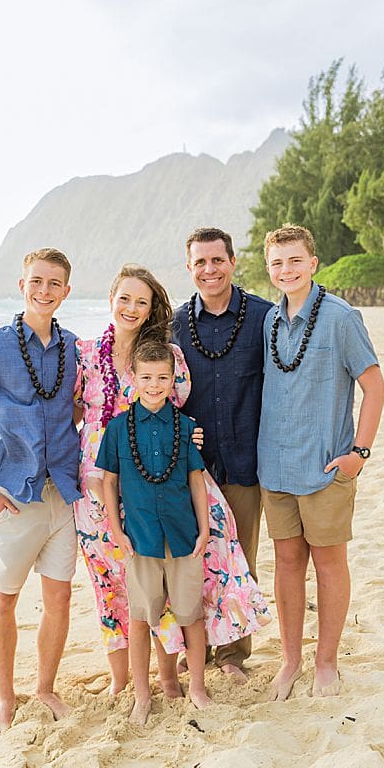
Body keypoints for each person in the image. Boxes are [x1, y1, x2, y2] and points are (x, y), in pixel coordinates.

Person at [73, 263, 268, 698]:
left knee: (163, 574)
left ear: (151, 308)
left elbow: (175, 416)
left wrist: (192, 433)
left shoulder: (166, 357)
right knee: (111, 582)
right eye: (124, 298)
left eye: (141, 301)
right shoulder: (83, 353)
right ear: (110, 299)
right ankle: (121, 679)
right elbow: (71, 415)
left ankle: (168, 676)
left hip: (159, 483)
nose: (131, 307)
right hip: (97, 488)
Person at [257, 225, 384, 701]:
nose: (286, 270)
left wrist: (360, 453)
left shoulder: (340, 317)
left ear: (313, 262)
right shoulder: (270, 321)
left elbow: (374, 387)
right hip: (275, 464)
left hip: (328, 464)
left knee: (330, 563)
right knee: (287, 563)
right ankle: (291, 660)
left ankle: (326, 662)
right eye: (277, 263)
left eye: (294, 260)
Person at [0, 248, 80, 733]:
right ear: (21, 284)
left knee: (60, 599)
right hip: (13, 497)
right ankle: (6, 700)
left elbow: (76, 410)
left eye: (54, 284)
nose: (44, 290)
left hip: (63, 496)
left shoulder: (74, 348)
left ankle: (45, 688)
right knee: (4, 599)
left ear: (66, 292)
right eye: (36, 281)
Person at [171, 227, 273, 682]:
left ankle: (232, 655)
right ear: (189, 268)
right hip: (188, 467)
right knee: (188, 559)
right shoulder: (172, 324)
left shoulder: (265, 319)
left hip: (245, 461)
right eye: (200, 263)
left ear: (232, 262)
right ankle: (189, 647)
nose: (209, 270)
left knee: (240, 559)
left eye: (217, 260)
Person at [97, 340, 212, 724]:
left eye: (163, 377)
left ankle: (196, 686)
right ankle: (142, 696)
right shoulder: (117, 429)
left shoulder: (186, 427)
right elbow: (108, 482)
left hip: (183, 536)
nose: (154, 385)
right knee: (141, 618)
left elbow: (196, 481)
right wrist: (117, 529)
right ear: (133, 379)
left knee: (190, 615)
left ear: (172, 379)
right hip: (141, 539)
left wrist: (204, 528)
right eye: (146, 377)